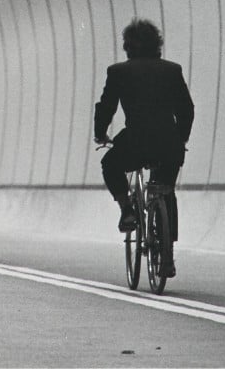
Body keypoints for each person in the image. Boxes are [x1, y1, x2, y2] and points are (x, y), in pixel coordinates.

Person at [93, 19, 194, 278]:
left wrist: (100, 133)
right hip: (169, 144)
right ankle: (168, 255)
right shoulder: (172, 70)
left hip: (135, 142)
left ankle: (127, 209)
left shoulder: (118, 72)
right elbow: (186, 109)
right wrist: (181, 138)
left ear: (128, 46)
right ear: (157, 44)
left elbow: (106, 107)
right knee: (166, 190)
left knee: (109, 165)